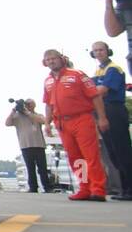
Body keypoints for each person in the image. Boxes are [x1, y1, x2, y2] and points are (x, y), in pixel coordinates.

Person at [42, 48, 109, 201]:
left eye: (54, 58)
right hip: (62, 123)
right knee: (75, 157)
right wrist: (47, 123)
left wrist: (102, 118)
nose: (51, 61)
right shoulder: (48, 81)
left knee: (90, 155)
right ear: (45, 63)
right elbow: (48, 104)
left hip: (82, 119)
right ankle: (84, 188)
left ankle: (98, 189)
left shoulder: (77, 75)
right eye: (48, 59)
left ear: (62, 59)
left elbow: (95, 96)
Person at [91, 41, 132, 201]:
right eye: (95, 51)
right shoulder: (98, 70)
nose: (98, 53)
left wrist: (88, 93)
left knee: (122, 150)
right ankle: (124, 188)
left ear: (108, 51)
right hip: (102, 110)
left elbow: (101, 90)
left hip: (114, 109)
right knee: (113, 152)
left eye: (101, 50)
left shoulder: (113, 68)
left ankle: (130, 188)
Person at [7, 100, 53, 193]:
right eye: (26, 104)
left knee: (42, 168)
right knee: (30, 168)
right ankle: (33, 187)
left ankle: (47, 187)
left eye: (30, 104)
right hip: (26, 146)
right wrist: (13, 111)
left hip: (39, 145)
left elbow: (44, 121)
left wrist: (28, 113)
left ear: (34, 105)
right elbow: (7, 123)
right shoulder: (18, 117)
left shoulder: (37, 115)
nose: (28, 105)